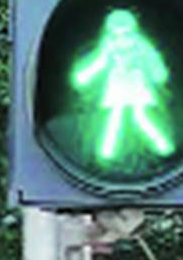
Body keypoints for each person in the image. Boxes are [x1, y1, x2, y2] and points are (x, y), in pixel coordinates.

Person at [73, 9, 174, 159]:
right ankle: (107, 151)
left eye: (126, 34)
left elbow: (156, 67)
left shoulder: (142, 48)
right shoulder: (107, 49)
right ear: (109, 35)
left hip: (136, 85)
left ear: (134, 33)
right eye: (116, 35)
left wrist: (159, 75)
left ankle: (162, 145)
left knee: (141, 116)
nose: (122, 41)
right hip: (117, 86)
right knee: (115, 116)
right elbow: (93, 69)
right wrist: (96, 65)